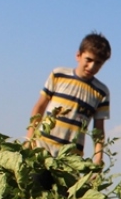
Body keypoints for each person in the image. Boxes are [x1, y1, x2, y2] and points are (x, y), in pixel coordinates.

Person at [26, 32, 112, 166]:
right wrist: (29, 138)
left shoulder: (101, 92)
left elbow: (98, 131)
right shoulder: (58, 75)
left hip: (71, 158)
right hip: (41, 149)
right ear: (78, 55)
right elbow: (40, 107)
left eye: (98, 63)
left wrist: (98, 158)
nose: (91, 66)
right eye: (88, 60)